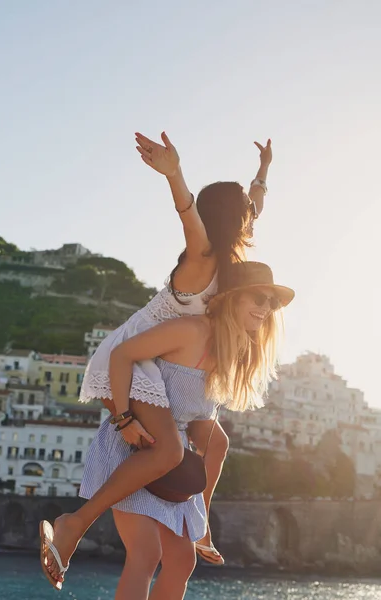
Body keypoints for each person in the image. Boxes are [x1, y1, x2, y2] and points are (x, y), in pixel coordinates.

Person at [40, 261, 295, 598]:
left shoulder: (232, 353)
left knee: (181, 563)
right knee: (146, 555)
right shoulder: (192, 330)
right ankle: (72, 523)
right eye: (258, 298)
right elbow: (122, 355)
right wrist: (125, 419)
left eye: (271, 303)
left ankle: (200, 529)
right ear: (232, 298)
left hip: (169, 465)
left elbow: (200, 422)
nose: (266, 309)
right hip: (136, 449)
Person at [80, 131, 273, 566]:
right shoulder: (203, 257)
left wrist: (263, 170)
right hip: (138, 353)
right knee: (168, 449)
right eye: (243, 210)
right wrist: (175, 173)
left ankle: (199, 526)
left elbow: (256, 206)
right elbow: (189, 216)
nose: (251, 215)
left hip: (169, 357)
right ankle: (80, 522)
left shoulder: (233, 264)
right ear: (227, 218)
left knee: (217, 443)